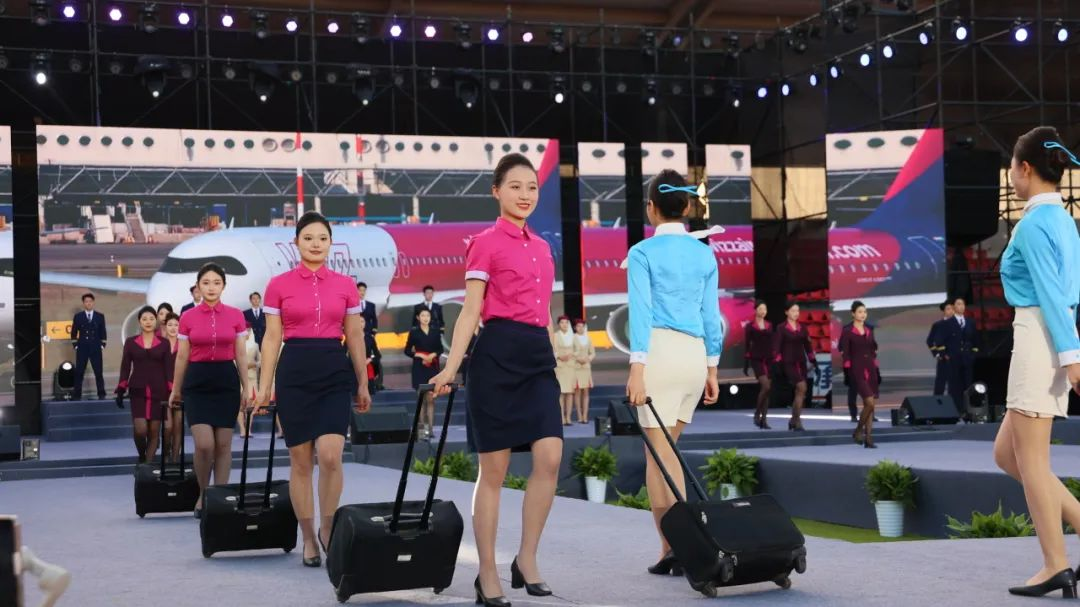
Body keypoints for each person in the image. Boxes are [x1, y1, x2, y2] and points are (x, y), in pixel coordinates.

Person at [430, 153, 563, 607]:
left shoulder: (543, 247)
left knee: (550, 457)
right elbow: (471, 311)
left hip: (537, 358)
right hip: (496, 357)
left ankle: (526, 558)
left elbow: (544, 311)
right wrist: (451, 367)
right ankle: (487, 572)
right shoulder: (484, 243)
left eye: (532, 187)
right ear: (496, 191)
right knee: (494, 471)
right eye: (515, 186)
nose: (525, 195)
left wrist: (553, 356)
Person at [256, 211, 372, 569]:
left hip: (334, 370)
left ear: (331, 243)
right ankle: (307, 537)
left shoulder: (346, 285)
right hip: (294, 372)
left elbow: (355, 336)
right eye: (308, 238)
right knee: (301, 460)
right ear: (296, 242)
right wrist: (264, 387)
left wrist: (363, 381)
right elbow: (271, 338)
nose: (315, 244)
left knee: (331, 455)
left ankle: (327, 527)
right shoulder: (278, 285)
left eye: (322, 238)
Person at [993, 127, 1080, 598]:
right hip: (1056, 337)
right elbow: (1068, 296)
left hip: (1037, 339)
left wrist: (1071, 358)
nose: (1010, 174)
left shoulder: (1031, 225)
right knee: (1007, 455)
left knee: (1030, 460)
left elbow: (1049, 294)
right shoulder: (1065, 220)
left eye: (1011, 165)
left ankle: (1055, 564)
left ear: (1025, 169)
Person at [624, 170, 722, 579]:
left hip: (659, 355)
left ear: (651, 208)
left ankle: (677, 548)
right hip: (695, 358)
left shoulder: (643, 252)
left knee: (658, 458)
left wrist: (637, 367)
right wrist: (712, 368)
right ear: (685, 207)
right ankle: (678, 547)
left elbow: (640, 313)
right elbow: (711, 315)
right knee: (668, 453)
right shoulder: (704, 253)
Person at [169, 263, 250, 519]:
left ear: (224, 286)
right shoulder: (187, 317)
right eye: (206, 283)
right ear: (198, 286)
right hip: (197, 383)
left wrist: (247, 388)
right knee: (204, 445)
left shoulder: (236, 315)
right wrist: (176, 389)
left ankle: (220, 497)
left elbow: (240, 354)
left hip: (226, 382)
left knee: (224, 445)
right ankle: (204, 494)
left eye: (216, 282)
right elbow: (182, 356)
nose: (211, 287)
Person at [115, 306, 173, 463]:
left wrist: (171, 390)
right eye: (144, 319)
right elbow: (125, 366)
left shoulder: (164, 343)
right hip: (138, 390)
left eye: (151, 319)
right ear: (139, 322)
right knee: (140, 430)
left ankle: (147, 465)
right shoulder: (131, 342)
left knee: (154, 432)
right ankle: (142, 456)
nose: (148, 322)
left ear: (156, 321)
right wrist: (121, 388)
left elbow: (169, 368)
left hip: (159, 391)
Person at [839, 301, 879, 448]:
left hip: (870, 368)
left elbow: (873, 349)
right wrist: (847, 372)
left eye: (865, 312)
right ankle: (857, 431)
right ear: (853, 313)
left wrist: (875, 365)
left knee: (871, 405)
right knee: (869, 402)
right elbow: (845, 354)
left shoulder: (869, 329)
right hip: (857, 369)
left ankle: (868, 438)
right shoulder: (847, 331)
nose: (863, 314)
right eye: (860, 312)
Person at [773, 301, 814, 432]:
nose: (796, 313)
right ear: (786, 312)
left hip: (801, 362)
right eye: (793, 310)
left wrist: (813, 360)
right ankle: (797, 421)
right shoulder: (781, 328)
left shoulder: (803, 327)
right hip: (788, 363)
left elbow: (808, 346)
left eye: (797, 310)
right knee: (802, 387)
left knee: (800, 392)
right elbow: (777, 346)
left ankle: (793, 420)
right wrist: (777, 362)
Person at [404, 308, 443, 437]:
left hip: (432, 368)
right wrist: (419, 355)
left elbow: (440, 349)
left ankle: (430, 429)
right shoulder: (414, 332)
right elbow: (407, 350)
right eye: (423, 315)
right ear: (418, 317)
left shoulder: (435, 331)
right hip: (419, 368)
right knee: (421, 399)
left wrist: (433, 354)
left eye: (428, 315)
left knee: (430, 399)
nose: (425, 318)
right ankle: (421, 431)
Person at [743, 300, 774, 429]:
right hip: (756, 359)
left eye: (765, 309)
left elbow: (772, 342)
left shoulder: (769, 325)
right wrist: (746, 363)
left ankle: (764, 420)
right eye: (760, 309)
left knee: (767, 391)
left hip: (769, 359)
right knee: (765, 386)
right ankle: (757, 414)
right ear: (755, 310)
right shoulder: (750, 326)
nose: (763, 311)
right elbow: (747, 345)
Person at [70, 292, 107, 400]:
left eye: (90, 301)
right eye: (86, 301)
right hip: (82, 348)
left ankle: (101, 394)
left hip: (95, 348)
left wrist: (102, 345)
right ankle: (77, 395)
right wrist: (75, 345)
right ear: (83, 303)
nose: (88, 303)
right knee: (79, 372)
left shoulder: (100, 316)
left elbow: (103, 332)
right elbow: (73, 332)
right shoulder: (78, 316)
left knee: (98, 372)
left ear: (93, 302)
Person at [945, 296, 979, 413]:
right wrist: (947, 355)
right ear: (954, 307)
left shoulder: (970, 322)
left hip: (967, 358)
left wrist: (973, 354)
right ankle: (955, 410)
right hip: (954, 359)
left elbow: (975, 340)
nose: (961, 306)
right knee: (955, 385)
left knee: (968, 384)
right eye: (958, 304)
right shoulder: (948, 323)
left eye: (963, 304)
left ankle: (968, 410)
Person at [161, 313, 182, 463]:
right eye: (170, 325)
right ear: (165, 327)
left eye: (176, 325)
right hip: (163, 390)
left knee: (178, 425)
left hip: (181, 390)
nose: (173, 328)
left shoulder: (185, 344)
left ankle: (175, 458)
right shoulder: (160, 344)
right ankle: (166, 453)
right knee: (168, 426)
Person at [926, 301, 954, 396]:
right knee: (940, 383)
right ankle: (937, 401)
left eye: (953, 309)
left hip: (956, 359)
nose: (951, 311)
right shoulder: (937, 325)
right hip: (943, 360)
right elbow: (930, 341)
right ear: (944, 311)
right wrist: (937, 354)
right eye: (948, 309)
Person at [553, 316, 576, 426]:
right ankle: (561, 417)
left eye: (566, 322)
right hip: (560, 367)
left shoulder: (573, 336)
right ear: (559, 324)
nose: (564, 324)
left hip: (571, 367)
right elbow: (553, 350)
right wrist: (559, 356)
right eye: (562, 322)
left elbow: (578, 350)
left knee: (570, 393)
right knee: (561, 393)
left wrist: (572, 354)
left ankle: (568, 418)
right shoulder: (555, 336)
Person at [237, 328, 260, 438]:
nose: (247, 332)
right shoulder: (235, 343)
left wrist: (254, 364)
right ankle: (242, 429)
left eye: (249, 330)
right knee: (240, 404)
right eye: (246, 329)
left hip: (252, 377)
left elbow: (260, 360)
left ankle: (248, 429)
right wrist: (242, 366)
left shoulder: (255, 345)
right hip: (239, 377)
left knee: (250, 404)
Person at [572, 319, 595, 425]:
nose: (580, 328)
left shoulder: (588, 338)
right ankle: (579, 416)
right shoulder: (572, 338)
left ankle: (585, 416)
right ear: (575, 327)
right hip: (576, 367)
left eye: (582, 326)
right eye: (578, 326)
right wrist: (577, 358)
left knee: (585, 392)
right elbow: (570, 352)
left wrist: (588, 359)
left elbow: (592, 353)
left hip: (586, 367)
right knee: (577, 392)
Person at [358, 316, 381, 396]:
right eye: (358, 321)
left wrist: (370, 359)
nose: (360, 324)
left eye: (362, 321)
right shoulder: (350, 338)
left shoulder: (370, 338)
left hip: (368, 370)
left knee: (370, 395)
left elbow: (377, 355)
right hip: (355, 371)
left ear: (365, 324)